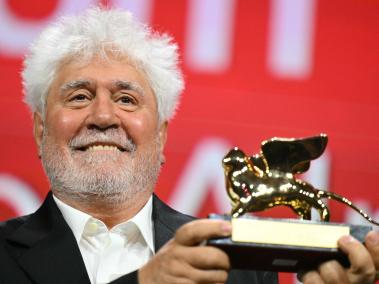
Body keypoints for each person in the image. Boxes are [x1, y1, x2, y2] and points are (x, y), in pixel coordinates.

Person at [0, 7, 377, 284]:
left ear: (162, 135)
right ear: (39, 130)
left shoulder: (242, 265)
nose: (103, 116)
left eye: (127, 100)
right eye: (79, 97)